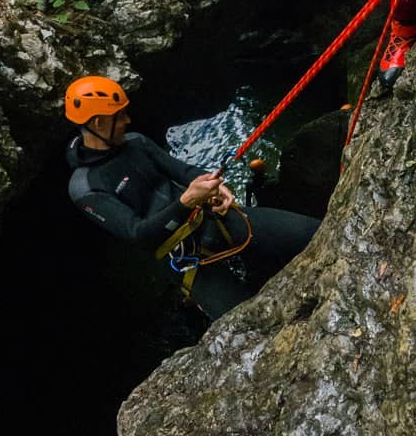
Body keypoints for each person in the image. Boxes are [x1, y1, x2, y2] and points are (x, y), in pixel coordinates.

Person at [64, 74, 320, 320]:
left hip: (214, 219)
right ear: (98, 123)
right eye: (119, 116)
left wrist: (215, 185)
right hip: (186, 259)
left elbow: (184, 171)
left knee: (314, 232)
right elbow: (138, 234)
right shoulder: (86, 188)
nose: (127, 120)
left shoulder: (136, 142)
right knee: (249, 324)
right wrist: (185, 201)